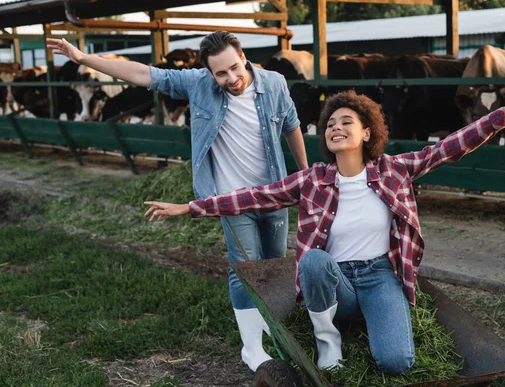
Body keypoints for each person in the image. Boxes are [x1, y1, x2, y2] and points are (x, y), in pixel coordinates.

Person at [143, 68, 505, 374]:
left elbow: (451, 146)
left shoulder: (396, 169)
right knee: (314, 260)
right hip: (333, 279)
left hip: (379, 278)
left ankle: (366, 323)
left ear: (367, 131)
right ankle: (327, 339)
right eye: (330, 125)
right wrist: (190, 207)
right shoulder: (313, 179)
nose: (336, 128)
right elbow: (252, 196)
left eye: (346, 123)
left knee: (397, 363)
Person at [47, 31, 309, 372]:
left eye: (234, 68)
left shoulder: (274, 83)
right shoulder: (197, 84)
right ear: (209, 73)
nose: (231, 79)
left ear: (243, 56)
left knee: (276, 265)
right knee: (245, 268)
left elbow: (292, 126)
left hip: (272, 195)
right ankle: (252, 348)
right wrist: (83, 59)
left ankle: (276, 335)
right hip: (229, 200)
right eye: (221, 74)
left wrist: (306, 178)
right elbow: (144, 74)